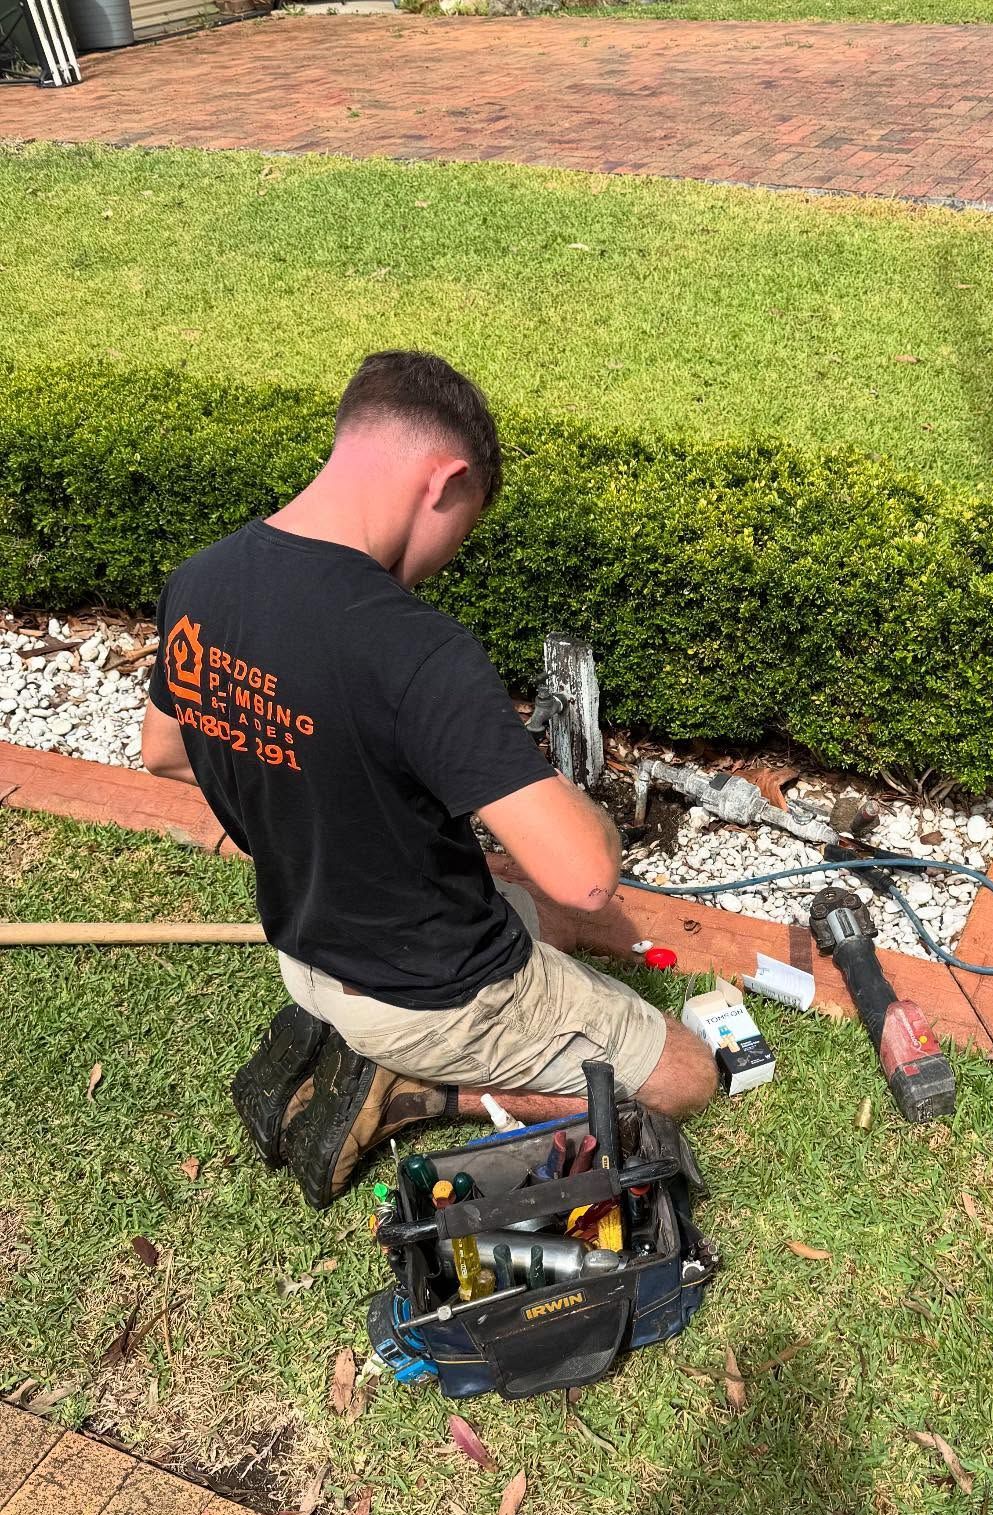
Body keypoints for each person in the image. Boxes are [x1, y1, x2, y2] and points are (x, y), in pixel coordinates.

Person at [141, 350, 715, 1207]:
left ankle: (372, 1044)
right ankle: (417, 1092)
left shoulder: (203, 580)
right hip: (434, 995)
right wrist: (581, 810)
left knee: (537, 914)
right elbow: (588, 877)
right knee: (688, 1074)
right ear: (444, 480)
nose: (451, 555)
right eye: (467, 526)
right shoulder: (417, 651)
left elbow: (166, 752)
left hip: (305, 950)